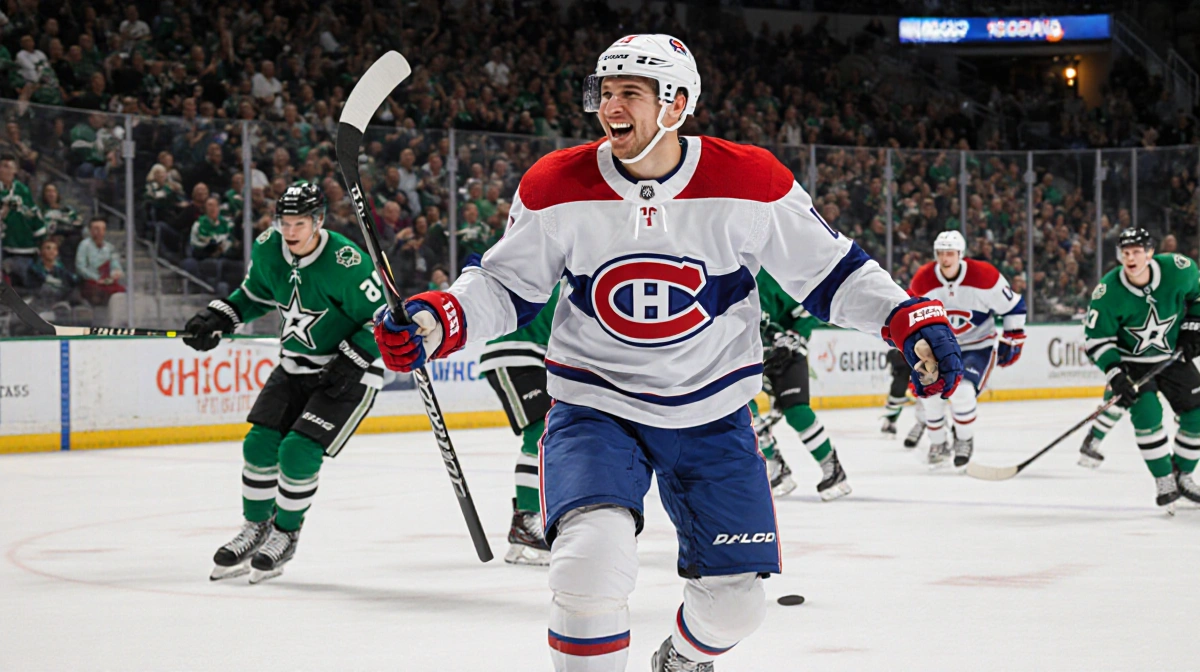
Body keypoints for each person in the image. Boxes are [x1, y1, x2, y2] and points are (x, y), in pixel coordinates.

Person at [373, 34, 963, 672]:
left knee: (736, 607)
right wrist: (439, 319)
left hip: (713, 414)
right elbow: (505, 284)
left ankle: (680, 659)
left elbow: (831, 272)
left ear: (677, 105)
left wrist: (907, 317)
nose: (610, 105)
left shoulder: (751, 180)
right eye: (605, 91)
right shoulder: (555, 183)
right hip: (595, 406)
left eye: (631, 92)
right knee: (587, 566)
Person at [183, 183, 386, 583]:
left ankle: (286, 533)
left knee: (297, 450)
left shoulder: (347, 262)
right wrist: (220, 316)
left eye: (299, 223)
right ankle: (256, 528)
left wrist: (354, 356)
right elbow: (255, 294)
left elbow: (382, 320)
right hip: (294, 366)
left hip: (349, 371)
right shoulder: (267, 248)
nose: (290, 232)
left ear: (318, 221)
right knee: (259, 443)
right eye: (284, 222)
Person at [1082, 228, 1200, 512]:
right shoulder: (1108, 291)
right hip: (1132, 364)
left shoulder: (1178, 269)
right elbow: (1096, 340)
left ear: (1150, 252)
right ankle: (1163, 480)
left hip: (1171, 357)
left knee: (1197, 415)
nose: (1131, 257)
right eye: (1125, 253)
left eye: (1137, 251)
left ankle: (1182, 475)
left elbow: (1198, 297)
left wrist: (1193, 327)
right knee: (1147, 415)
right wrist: (1115, 373)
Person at [908, 230, 1026, 469]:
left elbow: (1014, 306)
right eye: (941, 253)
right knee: (930, 394)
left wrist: (1013, 338)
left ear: (960, 254)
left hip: (978, 345)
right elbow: (910, 317)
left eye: (950, 253)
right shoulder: (923, 279)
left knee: (962, 392)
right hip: (938, 349)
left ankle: (964, 440)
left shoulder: (985, 276)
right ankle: (938, 443)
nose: (945, 259)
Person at [479, 280, 562, 565]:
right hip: (514, 354)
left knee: (553, 435)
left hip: (537, 358)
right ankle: (526, 521)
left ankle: (536, 519)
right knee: (541, 434)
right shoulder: (552, 265)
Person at [751, 269, 851, 500]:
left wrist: (794, 336)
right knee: (744, 412)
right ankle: (776, 467)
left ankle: (832, 469)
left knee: (797, 411)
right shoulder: (722, 273)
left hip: (785, 353)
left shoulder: (772, 274)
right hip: (747, 356)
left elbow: (806, 313)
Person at [0, 154, 45, 281]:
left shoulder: (22, 189)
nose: (6, 170)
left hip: (23, 246)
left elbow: (32, 212)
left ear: (15, 171)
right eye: (3, 167)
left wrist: (40, 235)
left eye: (9, 167)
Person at [880, 348, 926, 447]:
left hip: (925, 350)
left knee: (927, 383)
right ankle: (891, 419)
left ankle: (922, 422)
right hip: (905, 349)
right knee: (899, 385)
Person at [74, 217, 125, 306]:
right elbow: (80, 267)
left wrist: (116, 271)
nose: (100, 232)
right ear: (90, 230)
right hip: (90, 282)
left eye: (103, 229)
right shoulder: (84, 245)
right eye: (96, 229)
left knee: (122, 294)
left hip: (107, 281)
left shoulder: (109, 247)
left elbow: (115, 263)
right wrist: (97, 279)